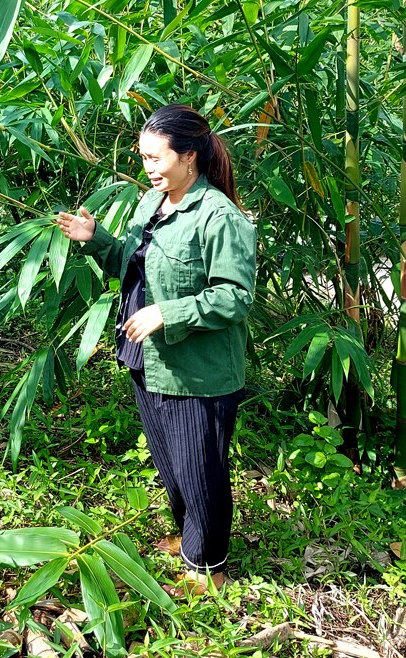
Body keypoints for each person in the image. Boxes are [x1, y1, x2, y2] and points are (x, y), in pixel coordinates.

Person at [56, 103, 256, 593]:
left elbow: (235, 296)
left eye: (156, 158)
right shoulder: (153, 202)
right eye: (143, 157)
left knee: (200, 467)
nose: (148, 167)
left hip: (197, 369)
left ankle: (208, 568)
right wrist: (95, 238)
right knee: (172, 461)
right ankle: (190, 539)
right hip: (148, 356)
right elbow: (133, 263)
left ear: (189, 157)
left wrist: (171, 312)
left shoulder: (219, 217)